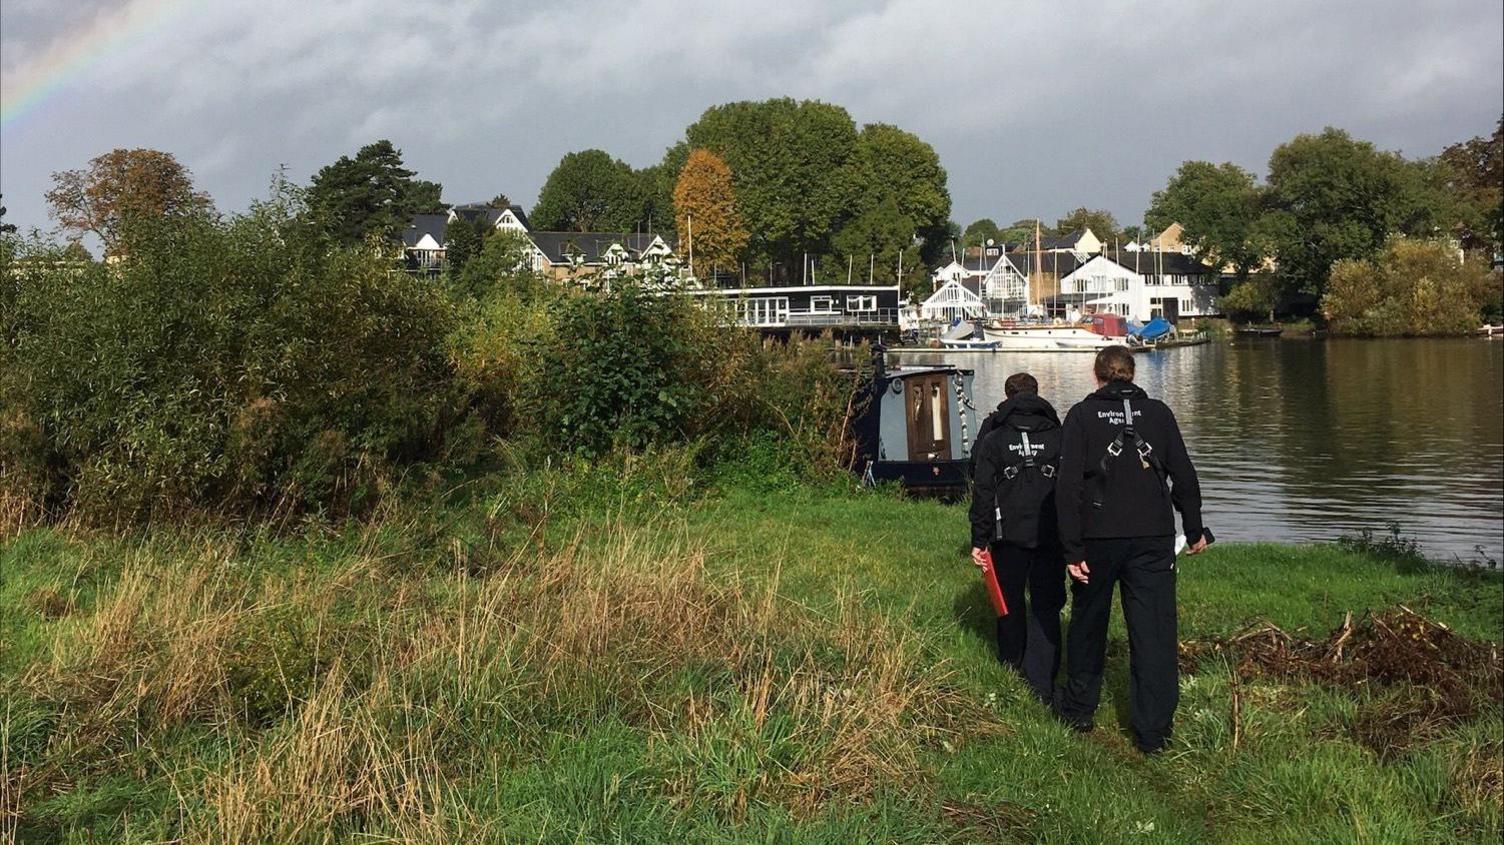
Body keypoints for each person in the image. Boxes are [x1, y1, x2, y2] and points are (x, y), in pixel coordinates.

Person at [1054, 345, 1207, 754]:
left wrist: (1071, 550)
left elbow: (1066, 487)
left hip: (1097, 539)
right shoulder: (1158, 413)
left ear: (1096, 374)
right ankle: (1153, 733)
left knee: (1088, 624)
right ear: (1132, 375)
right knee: (1154, 631)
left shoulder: (1082, 416)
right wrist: (1194, 530)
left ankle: (1079, 711)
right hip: (1152, 538)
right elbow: (1184, 476)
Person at [969, 372, 1066, 704]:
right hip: (1051, 534)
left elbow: (981, 491)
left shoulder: (994, 436)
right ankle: (1042, 679)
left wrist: (979, 540)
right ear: (1037, 395)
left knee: (1009, 604)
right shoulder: (1058, 434)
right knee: (1047, 604)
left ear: (1007, 397)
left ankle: (1011, 666)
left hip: (1006, 535)